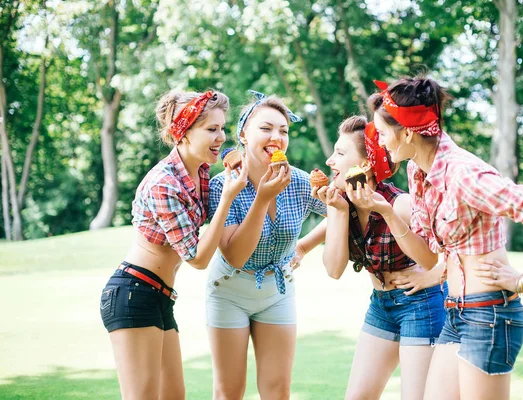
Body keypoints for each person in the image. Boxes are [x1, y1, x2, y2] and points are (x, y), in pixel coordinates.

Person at [365, 75, 523, 400]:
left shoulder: (464, 175)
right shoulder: (418, 173)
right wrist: (389, 213)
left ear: (406, 133)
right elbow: (432, 257)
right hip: (456, 312)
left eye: (382, 132)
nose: (378, 141)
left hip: (489, 314)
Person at [99, 90, 248, 400]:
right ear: (182, 133)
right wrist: (228, 197)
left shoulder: (203, 173)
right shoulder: (163, 182)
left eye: (222, 128)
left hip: (160, 296)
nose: (221, 137)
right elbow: (196, 257)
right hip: (134, 293)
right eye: (211, 129)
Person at [313, 115, 445, 400]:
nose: (329, 161)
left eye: (340, 153)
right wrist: (336, 211)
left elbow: (454, 249)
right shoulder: (341, 204)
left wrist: (431, 275)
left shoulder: (401, 205)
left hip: (421, 305)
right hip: (381, 307)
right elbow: (334, 269)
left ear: (363, 165)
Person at [206, 91, 327, 400]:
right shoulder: (223, 185)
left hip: (278, 292)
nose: (277, 136)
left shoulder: (299, 181)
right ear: (244, 135)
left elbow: (343, 212)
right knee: (229, 392)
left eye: (283, 131)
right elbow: (234, 254)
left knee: (277, 391)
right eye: (266, 128)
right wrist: (261, 198)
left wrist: (304, 247)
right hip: (229, 290)